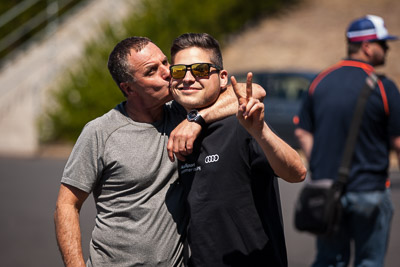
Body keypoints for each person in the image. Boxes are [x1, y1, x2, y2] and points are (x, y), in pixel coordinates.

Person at [54, 36, 265, 266]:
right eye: (152, 70)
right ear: (129, 88)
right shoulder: (100, 132)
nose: (169, 72)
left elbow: (253, 91)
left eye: (165, 62)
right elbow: (66, 205)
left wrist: (197, 119)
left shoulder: (183, 110)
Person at [169, 32, 306, 267]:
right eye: (179, 71)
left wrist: (260, 132)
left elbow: (296, 172)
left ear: (223, 78)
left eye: (200, 70)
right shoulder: (172, 123)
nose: (188, 78)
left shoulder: (241, 123)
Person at [295, 15, 400, 267]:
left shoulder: (320, 81)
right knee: (369, 261)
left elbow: (302, 132)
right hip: (370, 192)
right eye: (382, 44)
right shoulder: (384, 87)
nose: (386, 49)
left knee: (330, 260)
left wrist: (319, 168)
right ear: (366, 46)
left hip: (328, 191)